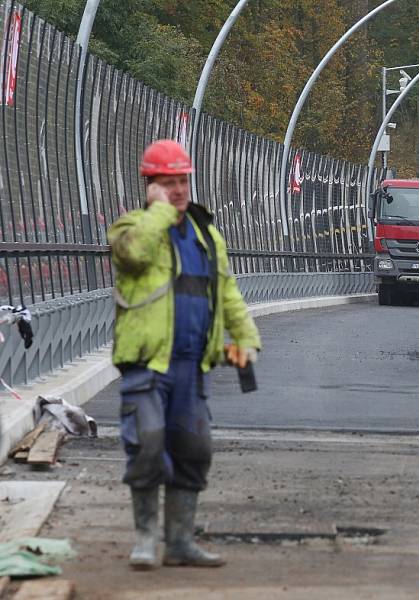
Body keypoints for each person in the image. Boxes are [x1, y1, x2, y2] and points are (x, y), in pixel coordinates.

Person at [108, 139, 261, 570]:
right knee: (148, 443)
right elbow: (133, 256)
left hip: (192, 366)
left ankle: (179, 543)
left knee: (193, 449)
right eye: (169, 182)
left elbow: (227, 292)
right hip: (148, 363)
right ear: (151, 185)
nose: (178, 190)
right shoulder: (131, 228)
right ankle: (144, 540)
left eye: (183, 181)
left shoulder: (206, 235)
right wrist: (158, 212)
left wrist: (246, 339)